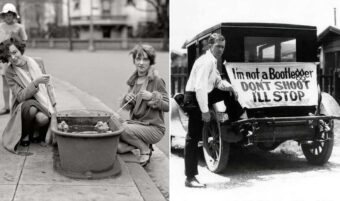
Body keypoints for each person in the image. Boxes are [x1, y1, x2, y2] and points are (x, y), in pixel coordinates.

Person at [184, 33, 243, 188]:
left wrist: (229, 86)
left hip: (203, 95)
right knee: (193, 137)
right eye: (218, 46)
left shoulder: (213, 61)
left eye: (223, 47)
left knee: (228, 91)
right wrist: (204, 111)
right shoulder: (205, 62)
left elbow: (216, 81)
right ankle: (190, 178)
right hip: (194, 99)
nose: (220, 50)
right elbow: (200, 87)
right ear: (210, 45)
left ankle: (238, 120)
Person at [0, 37, 55, 153]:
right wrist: (35, 83)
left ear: (20, 49)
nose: (13, 58)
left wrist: (54, 106)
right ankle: (25, 133)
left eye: (14, 52)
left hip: (41, 102)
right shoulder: (9, 72)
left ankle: (35, 130)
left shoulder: (37, 62)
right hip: (23, 105)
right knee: (31, 107)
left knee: (43, 118)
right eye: (9, 56)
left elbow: (47, 85)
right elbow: (20, 97)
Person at [118, 44, 169, 166]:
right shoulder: (134, 81)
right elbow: (128, 106)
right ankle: (144, 144)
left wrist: (152, 97)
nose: (141, 63)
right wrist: (127, 98)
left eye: (145, 59)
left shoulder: (156, 80)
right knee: (117, 144)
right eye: (138, 59)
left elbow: (167, 106)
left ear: (151, 62)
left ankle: (144, 149)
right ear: (134, 60)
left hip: (154, 128)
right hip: (136, 125)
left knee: (122, 129)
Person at [0, 3, 28, 115]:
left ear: (14, 15)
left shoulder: (19, 27)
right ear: (3, 16)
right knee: (5, 82)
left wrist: (18, 55)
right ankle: (6, 106)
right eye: (5, 15)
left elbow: (24, 42)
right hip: (3, 59)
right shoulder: (0, 26)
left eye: (10, 14)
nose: (8, 17)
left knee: (16, 82)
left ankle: (15, 106)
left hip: (16, 59)